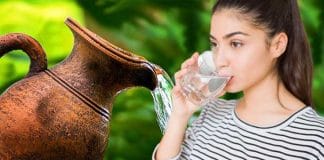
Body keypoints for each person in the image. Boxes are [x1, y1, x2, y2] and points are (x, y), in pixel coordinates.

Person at [152, 0, 324, 159]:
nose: (219, 60)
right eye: (215, 44)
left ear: (277, 45)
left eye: (236, 43)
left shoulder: (315, 140)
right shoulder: (212, 112)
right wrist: (180, 114)